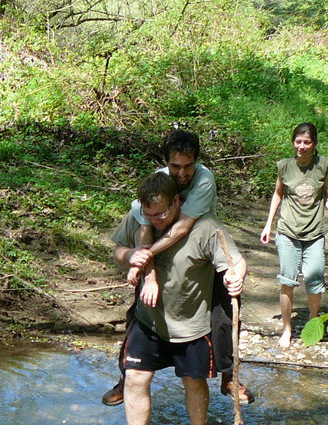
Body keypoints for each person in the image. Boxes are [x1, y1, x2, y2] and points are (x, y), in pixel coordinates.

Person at [102, 130, 253, 407]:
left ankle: (229, 376)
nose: (182, 173)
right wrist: (144, 268)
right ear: (166, 163)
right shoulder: (156, 184)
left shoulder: (204, 180)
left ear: (196, 161)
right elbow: (146, 227)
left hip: (199, 248)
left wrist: (144, 255)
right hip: (159, 255)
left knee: (225, 315)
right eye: (175, 167)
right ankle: (127, 379)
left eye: (188, 166)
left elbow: (182, 228)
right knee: (139, 313)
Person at [113, 172, 247, 425]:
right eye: (149, 215)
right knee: (135, 377)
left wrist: (236, 278)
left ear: (176, 201)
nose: (156, 220)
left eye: (161, 214)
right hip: (149, 319)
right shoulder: (140, 218)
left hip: (191, 324)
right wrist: (129, 256)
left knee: (193, 381)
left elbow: (236, 262)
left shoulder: (206, 227)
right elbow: (119, 249)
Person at [259, 122, 328, 348]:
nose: (302, 146)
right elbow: (278, 194)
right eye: (298, 142)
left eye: (307, 142)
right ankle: (287, 329)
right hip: (288, 231)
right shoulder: (284, 166)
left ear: (314, 144)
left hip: (315, 232)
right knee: (287, 281)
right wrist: (268, 225)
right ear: (293, 142)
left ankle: (313, 321)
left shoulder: (323, 165)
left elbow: (324, 194)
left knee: (314, 280)